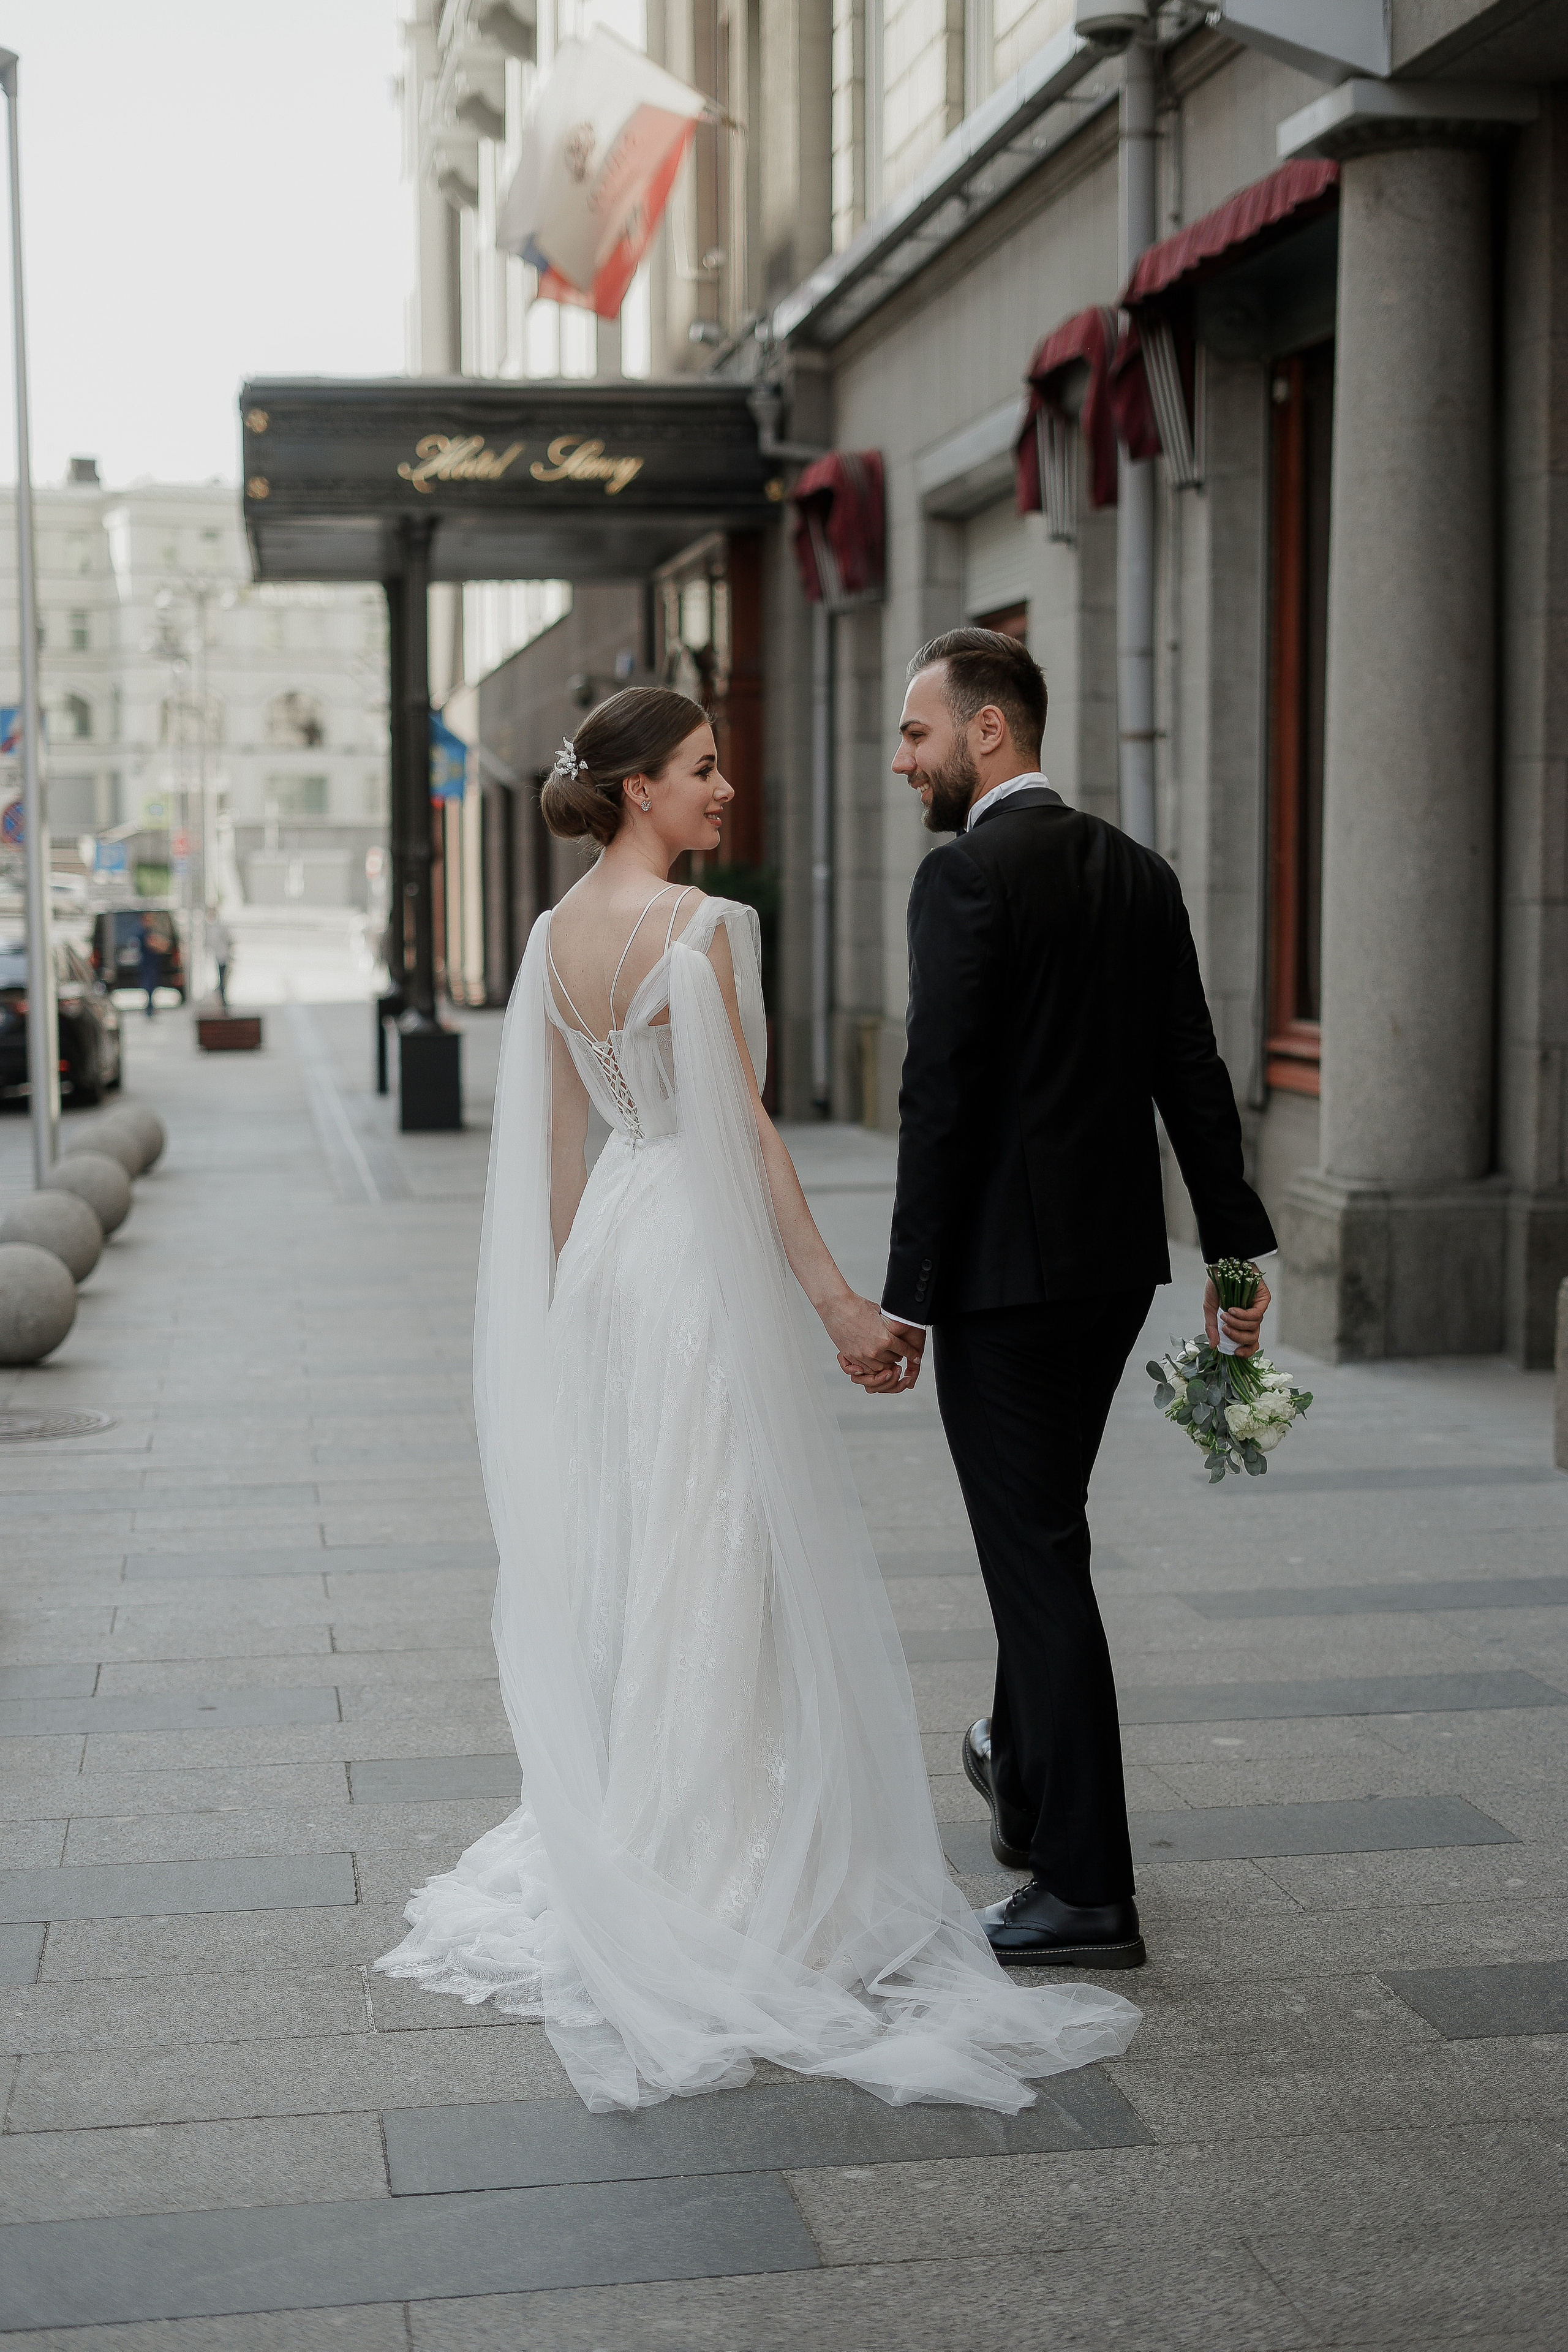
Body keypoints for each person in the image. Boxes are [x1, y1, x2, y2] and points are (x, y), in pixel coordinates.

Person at [377, 687, 1140, 2113]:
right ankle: (728, 1854)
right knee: (721, 1546)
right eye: (699, 768)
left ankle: (654, 1822)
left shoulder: (551, 936)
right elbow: (748, 1135)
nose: (723, 788)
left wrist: (565, 1308)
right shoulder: (702, 926)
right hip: (693, 1257)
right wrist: (841, 1303)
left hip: (612, 1254)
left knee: (652, 1543)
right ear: (635, 790)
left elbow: (558, 1147)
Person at [873, 628, 1277, 1973]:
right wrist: (1233, 1267)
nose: (904, 760)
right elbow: (1192, 1075)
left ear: (987, 730)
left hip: (1003, 1288)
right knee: (1039, 1528)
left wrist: (905, 1298)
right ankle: (1025, 1776)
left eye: (918, 733)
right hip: (1111, 1281)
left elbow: (937, 1096)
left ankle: (1086, 1892)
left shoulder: (963, 877)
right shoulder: (1138, 872)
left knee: (1035, 1555)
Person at [137, 914, 162, 1019]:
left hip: (152, 963)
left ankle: (150, 1008)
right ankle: (149, 1009)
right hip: (148, 964)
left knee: (151, 986)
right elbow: (151, 944)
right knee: (149, 986)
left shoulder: (149, 931)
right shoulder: (143, 933)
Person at [208, 911, 232, 1008]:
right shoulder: (214, 927)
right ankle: (221, 996)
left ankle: (222, 996)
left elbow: (227, 940)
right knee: (221, 977)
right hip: (219, 956)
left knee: (223, 977)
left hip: (223, 956)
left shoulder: (220, 927)